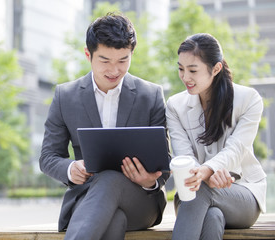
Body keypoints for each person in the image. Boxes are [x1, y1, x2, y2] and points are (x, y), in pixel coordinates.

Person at [39, 13, 170, 240]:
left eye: (123, 60)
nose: (114, 70)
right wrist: (72, 169)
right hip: (88, 201)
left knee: (110, 179)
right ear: (88, 55)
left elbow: (165, 161)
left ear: (131, 54)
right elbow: (48, 157)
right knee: (113, 222)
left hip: (141, 202)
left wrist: (151, 181)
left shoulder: (151, 95)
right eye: (105, 61)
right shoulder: (65, 96)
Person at [166, 33, 267, 240]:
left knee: (200, 188)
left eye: (193, 70)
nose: (185, 77)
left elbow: (236, 149)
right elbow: (183, 156)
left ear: (216, 68)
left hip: (242, 194)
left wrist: (207, 170)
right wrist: (202, 175)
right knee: (212, 217)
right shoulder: (175, 106)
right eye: (181, 69)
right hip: (192, 195)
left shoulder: (248, 100)